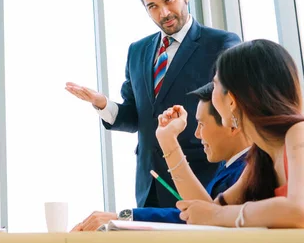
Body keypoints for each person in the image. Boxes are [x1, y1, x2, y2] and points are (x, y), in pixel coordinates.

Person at [66, 0, 241, 208]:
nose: (164, 13)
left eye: (169, 0)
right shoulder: (138, 51)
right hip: (150, 185)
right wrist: (103, 104)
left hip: (201, 179)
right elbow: (136, 117)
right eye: (153, 6)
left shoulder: (221, 43)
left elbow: (232, 112)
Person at [71, 83, 250, 230]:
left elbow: (206, 217)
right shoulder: (229, 167)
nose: (197, 134)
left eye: (201, 124)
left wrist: (123, 217)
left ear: (232, 124)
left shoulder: (249, 171)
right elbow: (204, 214)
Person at [177, 39, 304, 228]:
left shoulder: (298, 132)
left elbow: (298, 211)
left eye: (215, 85)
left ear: (231, 100)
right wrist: (168, 143)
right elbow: (211, 209)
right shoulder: (261, 156)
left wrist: (217, 214)